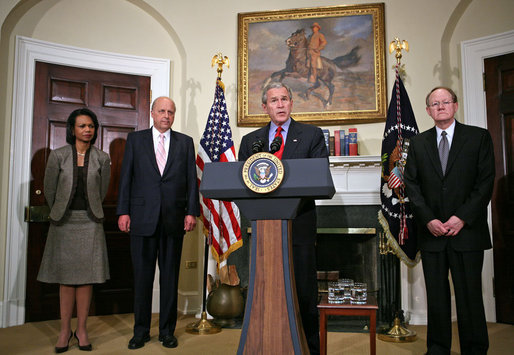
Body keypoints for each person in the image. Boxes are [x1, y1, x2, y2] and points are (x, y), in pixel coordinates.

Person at [238, 82, 328, 355]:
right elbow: (241, 182)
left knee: (303, 292)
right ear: (264, 107)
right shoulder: (250, 141)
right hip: (264, 230)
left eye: (284, 99)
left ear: (291, 103)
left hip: (299, 225)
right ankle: (264, 344)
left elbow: (318, 176)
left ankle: (310, 348)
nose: (280, 104)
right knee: (265, 292)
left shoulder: (311, 135)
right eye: (274, 100)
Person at [404, 87, 494, 354]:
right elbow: (412, 184)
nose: (440, 106)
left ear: (455, 106)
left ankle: (475, 349)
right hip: (432, 233)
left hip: (467, 233)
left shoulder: (478, 138)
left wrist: (461, 218)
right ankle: (438, 348)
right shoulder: (419, 143)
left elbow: (485, 183)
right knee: (437, 298)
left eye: (445, 102)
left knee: (469, 297)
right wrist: (429, 219)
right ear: (428, 111)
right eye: (435, 103)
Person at [117, 96, 200, 350]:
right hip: (141, 218)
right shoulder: (136, 140)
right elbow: (126, 178)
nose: (166, 115)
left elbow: (190, 181)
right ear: (152, 113)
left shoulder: (185, 143)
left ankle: (167, 331)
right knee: (142, 278)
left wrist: (191, 212)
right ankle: (140, 332)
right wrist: (123, 211)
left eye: (171, 112)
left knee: (170, 279)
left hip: (174, 219)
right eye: (162, 111)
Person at [38, 108, 111, 353]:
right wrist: (60, 209)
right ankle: (63, 331)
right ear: (72, 130)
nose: (87, 130)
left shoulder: (102, 158)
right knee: (66, 280)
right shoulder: (58, 156)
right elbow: (50, 191)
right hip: (64, 223)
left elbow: (102, 192)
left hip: (90, 222)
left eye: (90, 126)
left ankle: (81, 329)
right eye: (82, 126)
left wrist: (91, 210)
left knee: (86, 279)